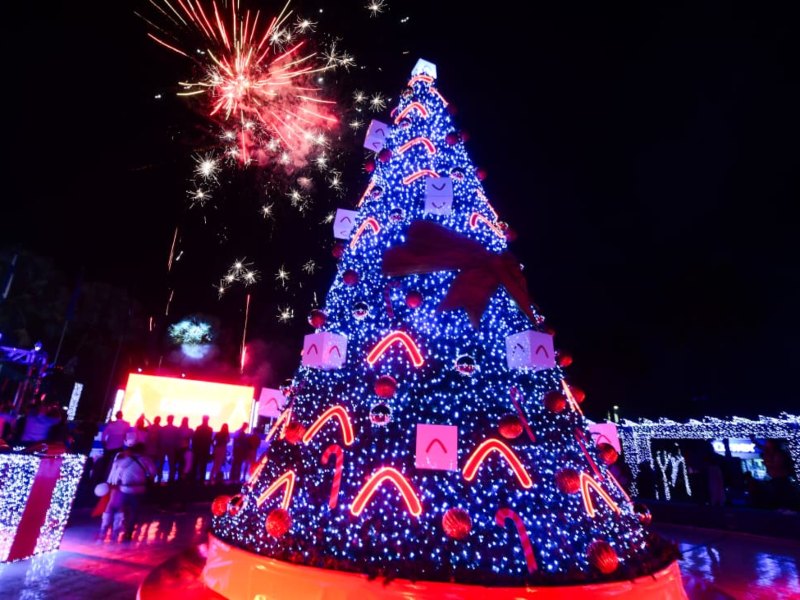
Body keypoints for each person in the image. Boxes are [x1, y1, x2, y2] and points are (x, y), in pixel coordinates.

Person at [99, 431, 155, 542]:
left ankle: (107, 530)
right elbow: (153, 473)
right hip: (140, 488)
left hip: (123, 488)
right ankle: (128, 533)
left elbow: (115, 472)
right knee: (134, 511)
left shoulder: (121, 457)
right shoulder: (146, 459)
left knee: (115, 507)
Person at [191, 415, 213, 483]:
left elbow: (195, 438)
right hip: (205, 449)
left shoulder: (199, 428)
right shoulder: (209, 429)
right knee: (203, 465)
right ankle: (201, 479)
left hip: (198, 449)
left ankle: (194, 479)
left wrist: (193, 448)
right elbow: (209, 440)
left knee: (196, 464)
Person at [160, 415, 181, 483]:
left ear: (167, 419)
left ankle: (160, 477)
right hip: (171, 447)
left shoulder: (163, 428)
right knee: (171, 464)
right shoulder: (175, 428)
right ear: (172, 420)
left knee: (161, 463)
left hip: (164, 447)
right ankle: (171, 478)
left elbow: (160, 438)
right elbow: (177, 439)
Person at [145, 416, 163, 483]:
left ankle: (148, 479)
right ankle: (154, 479)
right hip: (156, 450)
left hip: (149, 450)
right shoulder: (161, 429)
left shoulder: (150, 427)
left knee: (148, 464)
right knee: (154, 465)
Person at [176, 417, 193, 481]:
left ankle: (180, 477)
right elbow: (191, 437)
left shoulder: (179, 429)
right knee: (186, 463)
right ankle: (183, 477)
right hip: (185, 448)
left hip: (180, 448)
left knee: (181, 463)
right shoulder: (189, 430)